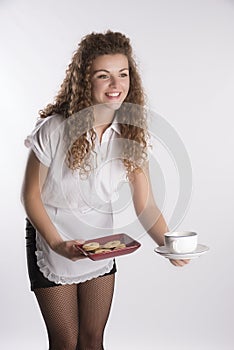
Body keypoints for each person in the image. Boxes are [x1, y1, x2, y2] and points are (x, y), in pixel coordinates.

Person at [21, 30, 189, 350]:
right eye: (104, 75)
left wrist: (171, 246)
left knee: (93, 339)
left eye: (123, 74)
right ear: (85, 80)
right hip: (52, 238)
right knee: (65, 341)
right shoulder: (54, 129)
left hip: (100, 242)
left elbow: (146, 204)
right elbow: (30, 196)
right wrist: (57, 244)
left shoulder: (130, 130)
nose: (116, 85)